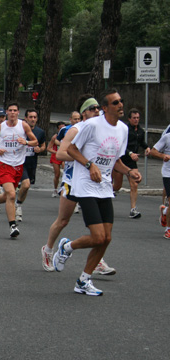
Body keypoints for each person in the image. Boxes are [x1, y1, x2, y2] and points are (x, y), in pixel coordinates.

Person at [52, 89, 140, 296]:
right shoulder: (92, 125)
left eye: (122, 101)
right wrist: (90, 165)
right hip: (85, 185)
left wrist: (129, 172)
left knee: (106, 238)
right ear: (105, 108)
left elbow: (116, 160)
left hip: (104, 186)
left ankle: (83, 280)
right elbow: (72, 150)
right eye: (116, 102)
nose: (121, 105)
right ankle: (67, 248)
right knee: (98, 236)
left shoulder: (123, 129)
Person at [41, 96, 116, 276]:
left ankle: (97, 261)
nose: (97, 111)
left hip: (91, 184)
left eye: (98, 108)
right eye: (92, 108)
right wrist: (85, 160)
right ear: (84, 113)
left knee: (96, 226)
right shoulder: (75, 130)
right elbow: (60, 154)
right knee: (63, 220)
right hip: (72, 181)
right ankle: (48, 249)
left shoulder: (100, 129)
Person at [0, 103, 38, 238]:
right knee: (11, 194)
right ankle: (13, 226)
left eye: (15, 110)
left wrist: (25, 142)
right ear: (7, 113)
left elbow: (35, 141)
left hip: (19, 165)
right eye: (10, 110)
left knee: (8, 195)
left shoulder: (23, 125)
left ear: (18, 112)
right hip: (4, 165)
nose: (13, 113)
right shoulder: (0, 127)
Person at [112, 108, 150, 218]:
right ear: (129, 119)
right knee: (117, 186)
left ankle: (133, 209)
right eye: (134, 118)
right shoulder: (125, 129)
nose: (136, 120)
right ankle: (99, 195)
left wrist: (147, 147)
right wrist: (130, 153)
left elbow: (141, 142)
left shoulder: (141, 131)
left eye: (138, 118)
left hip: (132, 162)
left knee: (134, 184)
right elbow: (120, 145)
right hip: (121, 160)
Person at [15, 109, 46, 222]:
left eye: (35, 117)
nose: (33, 119)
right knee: (26, 184)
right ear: (26, 118)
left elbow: (43, 146)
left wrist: (40, 149)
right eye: (31, 117)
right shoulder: (20, 130)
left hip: (32, 163)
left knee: (27, 187)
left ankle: (18, 203)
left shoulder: (40, 132)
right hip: (20, 162)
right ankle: (17, 206)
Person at [149, 129, 170, 239]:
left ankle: (165, 211)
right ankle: (168, 229)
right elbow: (153, 151)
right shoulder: (167, 137)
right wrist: (163, 156)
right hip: (168, 173)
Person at [47, 121, 66, 197]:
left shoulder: (68, 136)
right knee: (57, 174)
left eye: (64, 128)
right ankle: (55, 189)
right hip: (56, 157)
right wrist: (56, 152)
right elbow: (48, 148)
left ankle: (63, 188)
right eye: (61, 128)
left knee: (65, 173)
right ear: (58, 129)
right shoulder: (55, 137)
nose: (62, 130)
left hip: (64, 156)